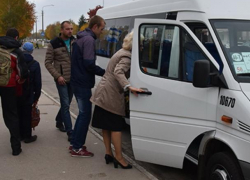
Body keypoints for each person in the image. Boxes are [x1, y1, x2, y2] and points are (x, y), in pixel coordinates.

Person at [90, 32, 143, 169]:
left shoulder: (121, 51)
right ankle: (119, 158)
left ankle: (108, 153)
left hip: (103, 91)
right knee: (116, 127)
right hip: (111, 94)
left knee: (105, 126)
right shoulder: (127, 56)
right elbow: (118, 72)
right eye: (141, 44)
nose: (143, 47)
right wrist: (129, 86)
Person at [70, 15, 106, 157]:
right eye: (101, 29)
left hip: (77, 81)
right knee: (85, 115)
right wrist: (105, 72)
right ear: (95, 27)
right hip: (82, 82)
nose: (102, 32)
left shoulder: (80, 38)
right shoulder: (89, 40)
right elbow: (88, 64)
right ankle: (77, 148)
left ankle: (75, 143)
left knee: (82, 114)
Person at [0, 28, 29, 156]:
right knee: (11, 115)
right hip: (9, 85)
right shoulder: (16, 51)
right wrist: (21, 79)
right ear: (16, 38)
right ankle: (16, 148)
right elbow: (23, 72)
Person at [45, 21, 75, 140]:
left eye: (72, 29)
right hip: (61, 80)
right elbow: (48, 62)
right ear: (62, 30)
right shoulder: (54, 43)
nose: (70, 31)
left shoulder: (75, 42)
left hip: (73, 79)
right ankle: (70, 132)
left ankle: (59, 120)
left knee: (65, 104)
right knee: (66, 104)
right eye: (67, 29)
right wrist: (57, 76)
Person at [16, 42, 41, 143]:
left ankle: (19, 135)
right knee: (27, 114)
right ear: (31, 51)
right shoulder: (35, 64)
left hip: (17, 91)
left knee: (18, 113)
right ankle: (27, 136)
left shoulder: (18, 61)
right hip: (29, 93)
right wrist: (37, 96)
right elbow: (38, 82)